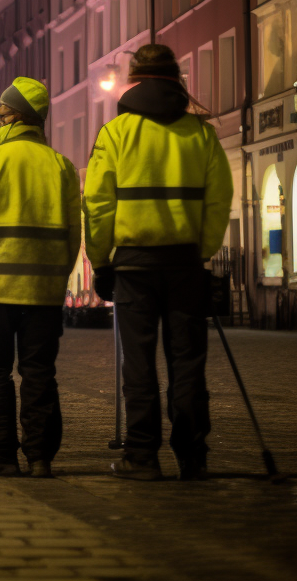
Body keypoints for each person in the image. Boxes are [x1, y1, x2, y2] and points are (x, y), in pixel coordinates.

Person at [85, 44, 233, 481]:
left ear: (134, 81)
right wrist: (201, 251)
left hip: (132, 266)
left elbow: (96, 204)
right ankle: (192, 455)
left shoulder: (116, 134)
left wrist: (101, 261)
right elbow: (219, 200)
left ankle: (142, 455)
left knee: (139, 362)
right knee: (188, 362)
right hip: (185, 264)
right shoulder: (201, 135)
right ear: (177, 82)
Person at [0, 78, 80, 478]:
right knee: (40, 371)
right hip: (43, 292)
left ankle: (1, 452)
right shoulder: (61, 165)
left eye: (1, 112)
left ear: (16, 115)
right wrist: (58, 275)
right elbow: (74, 234)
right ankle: (40, 456)